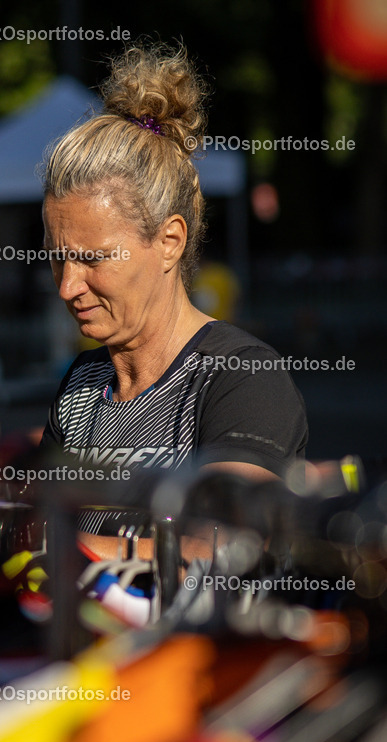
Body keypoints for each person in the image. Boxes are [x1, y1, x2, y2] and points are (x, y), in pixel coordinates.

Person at [39, 43, 308, 558]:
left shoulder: (240, 376)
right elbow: (35, 518)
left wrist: (58, 548)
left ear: (169, 241)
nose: (67, 286)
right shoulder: (81, 385)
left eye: (92, 258)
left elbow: (224, 545)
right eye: (57, 259)